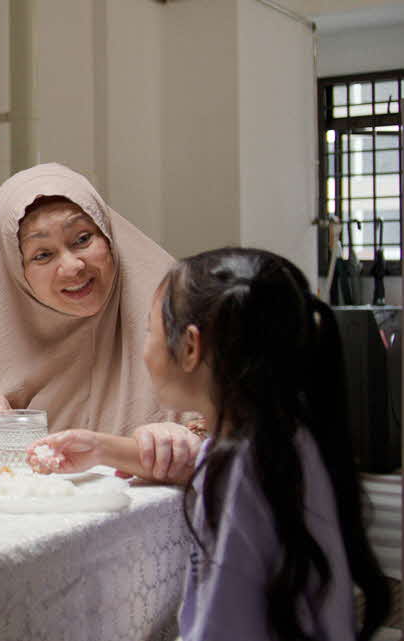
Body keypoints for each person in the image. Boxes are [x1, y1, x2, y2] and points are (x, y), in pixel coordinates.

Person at [29, 247, 390, 640]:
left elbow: (224, 625)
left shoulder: (238, 469)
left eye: (149, 331)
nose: (144, 347)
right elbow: (199, 460)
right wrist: (100, 448)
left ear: (189, 347)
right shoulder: (283, 439)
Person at [0, 162, 202, 481]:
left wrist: (180, 441)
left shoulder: (175, 311)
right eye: (43, 255)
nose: (73, 266)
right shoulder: (10, 344)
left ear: (107, 232)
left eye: (82, 239)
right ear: (15, 272)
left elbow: (234, 453)